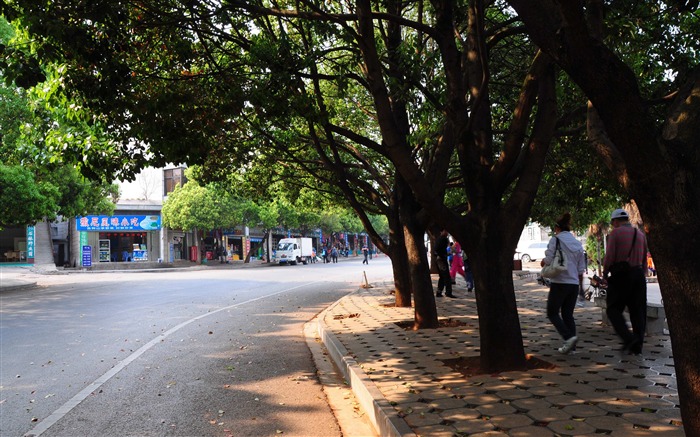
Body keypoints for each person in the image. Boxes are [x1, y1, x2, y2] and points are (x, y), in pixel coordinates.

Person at [603, 208, 648, 355]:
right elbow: (643, 261)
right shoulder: (640, 234)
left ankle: (628, 338)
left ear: (615, 221)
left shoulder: (616, 233)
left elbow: (609, 256)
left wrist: (604, 272)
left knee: (613, 309)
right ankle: (638, 346)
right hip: (638, 275)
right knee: (638, 312)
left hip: (621, 276)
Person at [541, 213, 586, 354]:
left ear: (557, 228)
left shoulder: (556, 240)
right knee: (568, 314)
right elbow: (581, 269)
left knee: (552, 312)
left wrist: (543, 262)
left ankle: (568, 337)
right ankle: (571, 348)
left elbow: (548, 261)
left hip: (560, 283)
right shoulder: (578, 243)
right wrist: (581, 289)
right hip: (573, 284)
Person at [435, 230, 455, 298]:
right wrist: (444, 254)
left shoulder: (439, 239)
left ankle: (439, 292)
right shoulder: (444, 239)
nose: (447, 233)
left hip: (439, 259)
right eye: (445, 231)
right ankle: (448, 292)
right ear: (442, 231)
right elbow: (439, 249)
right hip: (442, 259)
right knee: (446, 276)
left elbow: (437, 249)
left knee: (442, 277)